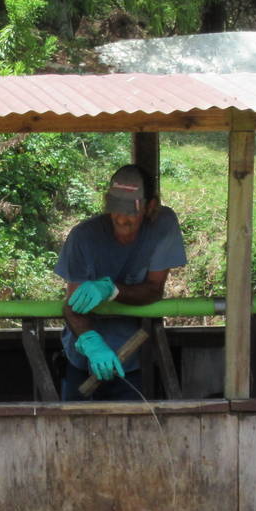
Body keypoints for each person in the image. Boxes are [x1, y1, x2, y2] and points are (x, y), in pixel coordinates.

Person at [55, 163, 187, 400]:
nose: (122, 219)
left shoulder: (162, 226)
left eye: (131, 213)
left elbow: (154, 290)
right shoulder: (83, 237)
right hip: (83, 358)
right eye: (116, 210)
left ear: (150, 207)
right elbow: (72, 307)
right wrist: (91, 343)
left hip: (134, 357)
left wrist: (112, 290)